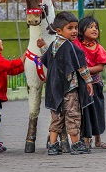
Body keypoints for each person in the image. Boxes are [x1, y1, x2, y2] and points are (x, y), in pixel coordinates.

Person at [39, 11, 94, 155]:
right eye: (70, 28)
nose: (75, 31)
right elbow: (81, 66)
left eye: (76, 27)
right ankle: (76, 144)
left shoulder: (53, 45)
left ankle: (52, 145)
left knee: (57, 117)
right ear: (59, 30)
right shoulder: (70, 47)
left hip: (53, 89)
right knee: (73, 115)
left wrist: (43, 47)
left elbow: (47, 59)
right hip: (69, 89)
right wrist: (88, 81)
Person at [74, 15, 106, 149]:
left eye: (96, 27)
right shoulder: (76, 44)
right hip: (81, 86)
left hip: (95, 86)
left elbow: (100, 67)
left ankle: (98, 139)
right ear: (81, 31)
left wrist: (84, 70)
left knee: (97, 112)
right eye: (90, 27)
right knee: (85, 112)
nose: (94, 29)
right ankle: (85, 139)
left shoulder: (99, 49)